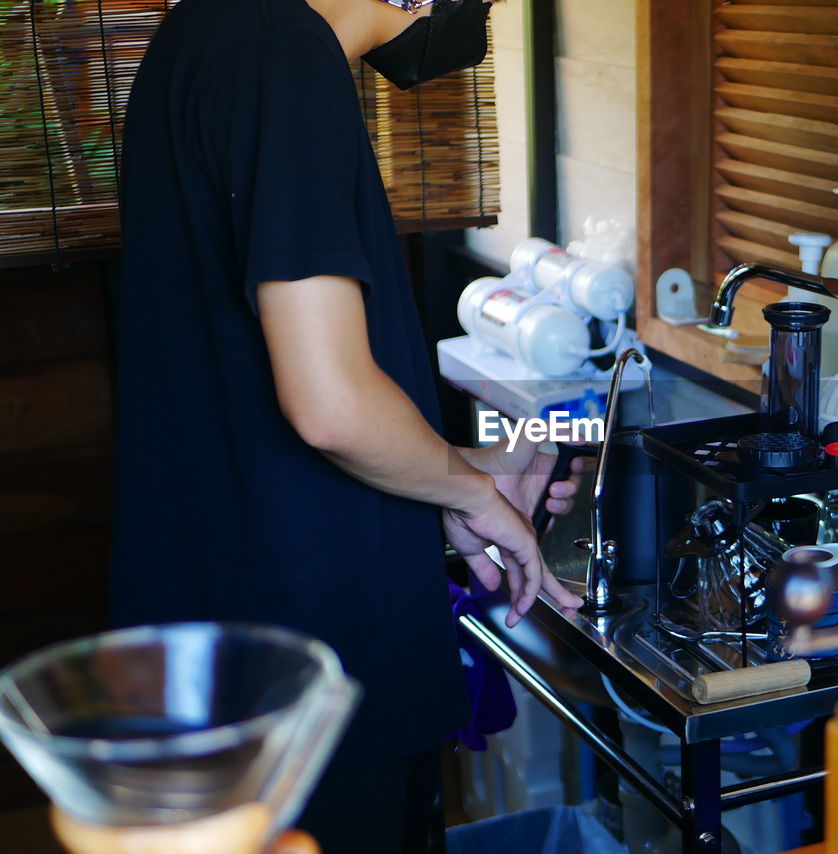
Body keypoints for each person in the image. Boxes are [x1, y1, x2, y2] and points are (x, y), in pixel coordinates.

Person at [109, 0, 582, 850]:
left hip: (214, 638)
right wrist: (473, 493)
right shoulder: (284, 53)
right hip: (309, 660)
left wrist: (453, 467)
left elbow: (241, 383)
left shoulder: (199, 34)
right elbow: (329, 406)